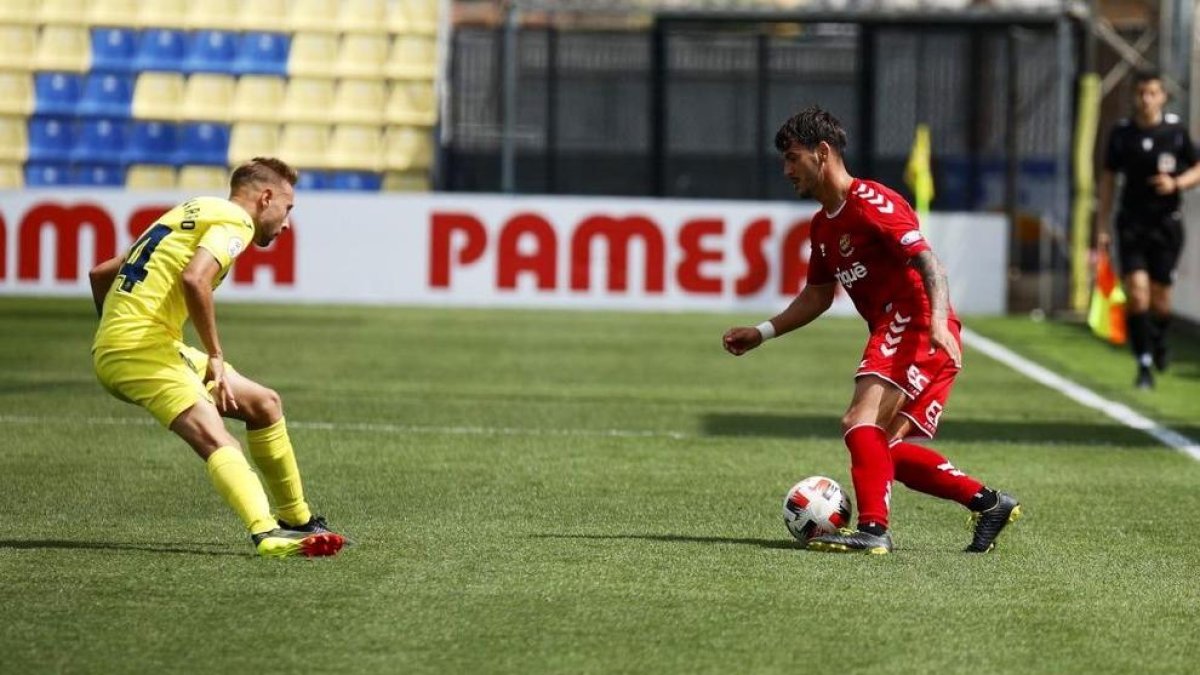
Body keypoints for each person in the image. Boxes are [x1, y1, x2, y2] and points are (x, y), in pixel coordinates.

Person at [722, 107, 1019, 554]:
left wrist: (937, 321)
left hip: (914, 319)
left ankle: (875, 532)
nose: (786, 170)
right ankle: (989, 502)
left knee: (857, 421)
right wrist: (762, 332)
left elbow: (928, 262)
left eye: (792, 158)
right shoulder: (823, 226)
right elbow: (817, 296)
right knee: (882, 450)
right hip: (907, 326)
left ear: (823, 153)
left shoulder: (872, 203)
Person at [89, 157, 347, 558]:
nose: (287, 224)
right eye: (288, 209)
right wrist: (215, 356)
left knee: (264, 404)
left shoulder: (195, 210)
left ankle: (298, 520)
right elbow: (196, 279)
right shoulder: (237, 222)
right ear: (265, 198)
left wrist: (113, 329)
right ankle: (266, 533)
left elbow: (101, 274)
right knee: (216, 436)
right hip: (140, 349)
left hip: (146, 343)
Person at [1096, 70, 1200, 389]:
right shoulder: (1122, 133)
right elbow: (1109, 179)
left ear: (1163, 96)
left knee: (1160, 300)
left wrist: (1177, 183)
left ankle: (1161, 339)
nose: (1146, 99)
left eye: (1152, 93)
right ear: (1134, 96)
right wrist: (1102, 224)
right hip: (1131, 224)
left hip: (1166, 225)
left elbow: (1197, 167)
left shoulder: (1175, 132)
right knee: (1137, 294)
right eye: (1141, 93)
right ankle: (1143, 365)